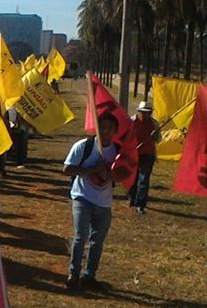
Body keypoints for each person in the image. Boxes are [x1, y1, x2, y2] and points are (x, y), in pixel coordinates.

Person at [62, 113, 119, 291]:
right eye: (102, 127)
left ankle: (90, 276)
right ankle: (73, 274)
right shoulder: (84, 146)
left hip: (104, 202)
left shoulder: (118, 152)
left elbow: (124, 174)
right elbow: (67, 169)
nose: (105, 131)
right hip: (82, 197)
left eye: (109, 128)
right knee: (81, 237)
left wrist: (109, 174)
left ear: (115, 131)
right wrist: (92, 170)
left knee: (97, 241)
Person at [129, 101, 160, 214]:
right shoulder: (131, 121)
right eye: (143, 113)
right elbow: (126, 137)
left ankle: (140, 204)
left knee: (144, 180)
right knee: (133, 178)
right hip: (134, 154)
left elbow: (158, 139)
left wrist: (154, 135)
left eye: (148, 113)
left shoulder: (154, 124)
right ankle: (132, 197)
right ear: (139, 112)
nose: (146, 115)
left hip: (148, 154)